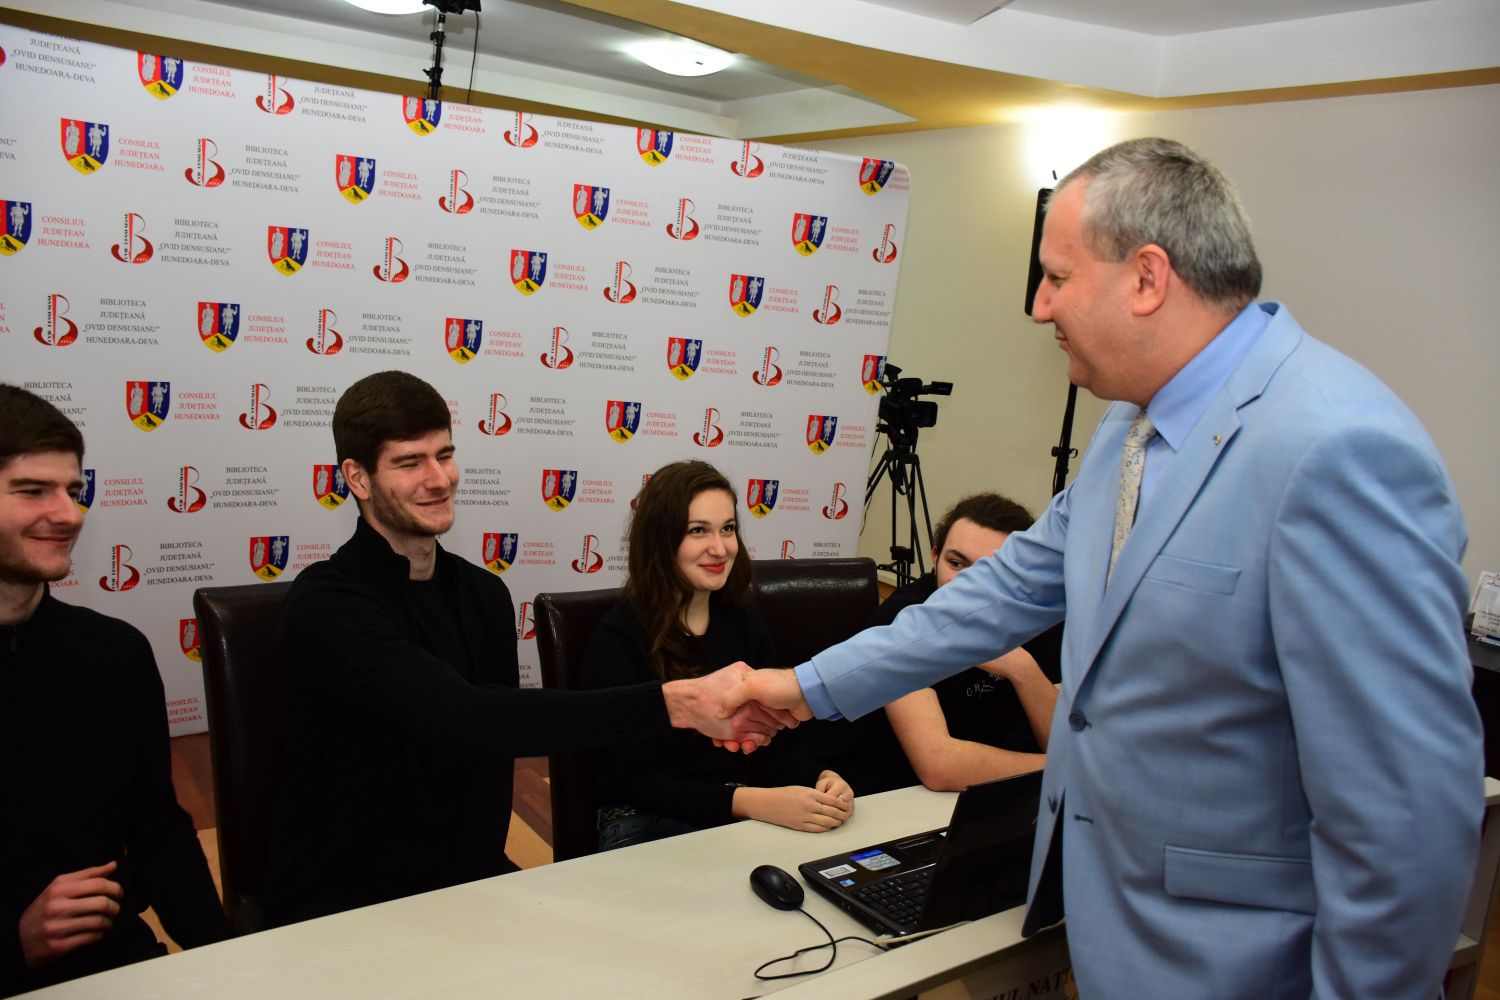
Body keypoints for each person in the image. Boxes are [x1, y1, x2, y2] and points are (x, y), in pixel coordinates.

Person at [718, 138, 1482, 998]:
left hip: (1241, 962)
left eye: (1056, 277)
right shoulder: (1130, 425)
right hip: (1115, 926)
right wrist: (805, 686)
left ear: (1147, 278)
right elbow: (1002, 592)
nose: (1038, 307)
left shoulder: (1339, 450)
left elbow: (1405, 815)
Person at [265, 373, 789, 926]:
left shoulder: (483, 595)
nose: (439, 479)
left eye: (445, 455)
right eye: (410, 462)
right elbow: (467, 718)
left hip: (465, 883)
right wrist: (672, 704)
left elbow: (492, 765)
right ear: (358, 478)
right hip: (342, 901)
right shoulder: (327, 603)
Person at [0, 386, 231, 997]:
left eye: (73, 491)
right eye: (32, 491)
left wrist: (231, 963)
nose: (70, 514)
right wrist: (13, 941)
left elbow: (158, 829)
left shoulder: (114, 653)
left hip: (121, 965)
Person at [581, 461, 853, 850]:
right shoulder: (617, 639)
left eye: (727, 529)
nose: (720, 548)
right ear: (660, 539)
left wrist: (821, 778)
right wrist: (755, 804)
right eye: (698, 531)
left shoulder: (744, 623)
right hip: (643, 821)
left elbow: (777, 741)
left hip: (737, 809)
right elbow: (636, 781)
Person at [833, 494, 1061, 794]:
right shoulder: (903, 618)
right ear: (934, 557)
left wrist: (1023, 669)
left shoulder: (1039, 616)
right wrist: (1063, 769)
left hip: (997, 795)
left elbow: (1063, 740)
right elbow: (940, 767)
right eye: (956, 564)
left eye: (991, 571)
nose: (968, 584)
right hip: (886, 794)